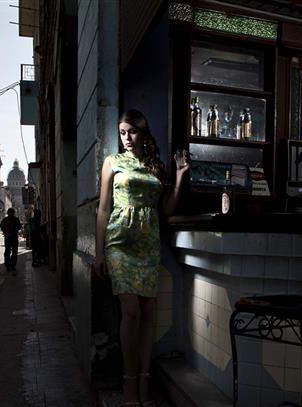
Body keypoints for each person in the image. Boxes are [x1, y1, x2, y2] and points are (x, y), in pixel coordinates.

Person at [93, 109, 190, 406]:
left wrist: (179, 178)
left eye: (132, 132)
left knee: (148, 315)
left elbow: (169, 210)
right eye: (122, 133)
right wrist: (100, 251)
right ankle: (129, 383)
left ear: (143, 133)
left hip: (148, 246)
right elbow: (103, 208)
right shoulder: (112, 162)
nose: (127, 138)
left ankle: (145, 381)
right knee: (131, 312)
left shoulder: (154, 167)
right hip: (120, 244)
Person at [0, 208, 22, 274]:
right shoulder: (14, 219)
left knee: (10, 251)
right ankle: (10, 265)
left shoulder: (7, 219)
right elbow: (19, 227)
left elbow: (2, 227)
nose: (10, 214)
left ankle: (9, 265)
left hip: (10, 238)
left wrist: (6, 232)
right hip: (11, 237)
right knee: (11, 252)